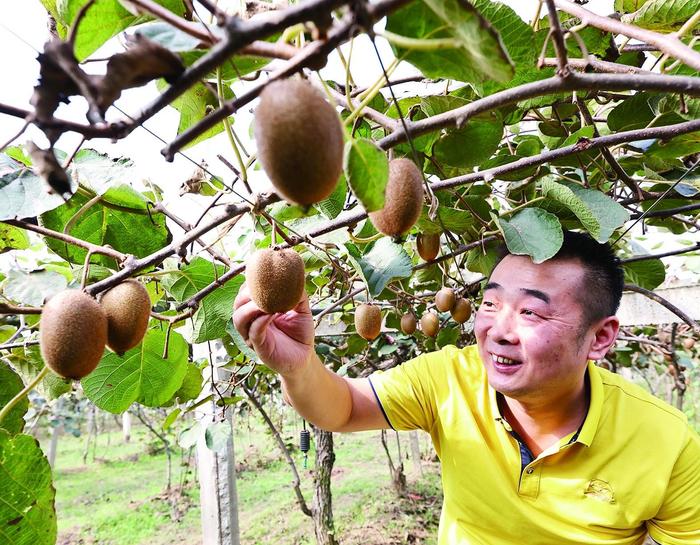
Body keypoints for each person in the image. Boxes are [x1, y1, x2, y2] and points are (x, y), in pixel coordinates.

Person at [233, 230, 700, 544]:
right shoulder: (449, 377)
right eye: (491, 304)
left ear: (600, 337)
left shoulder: (667, 443)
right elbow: (344, 408)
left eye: (531, 312)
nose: (498, 329)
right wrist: (298, 365)